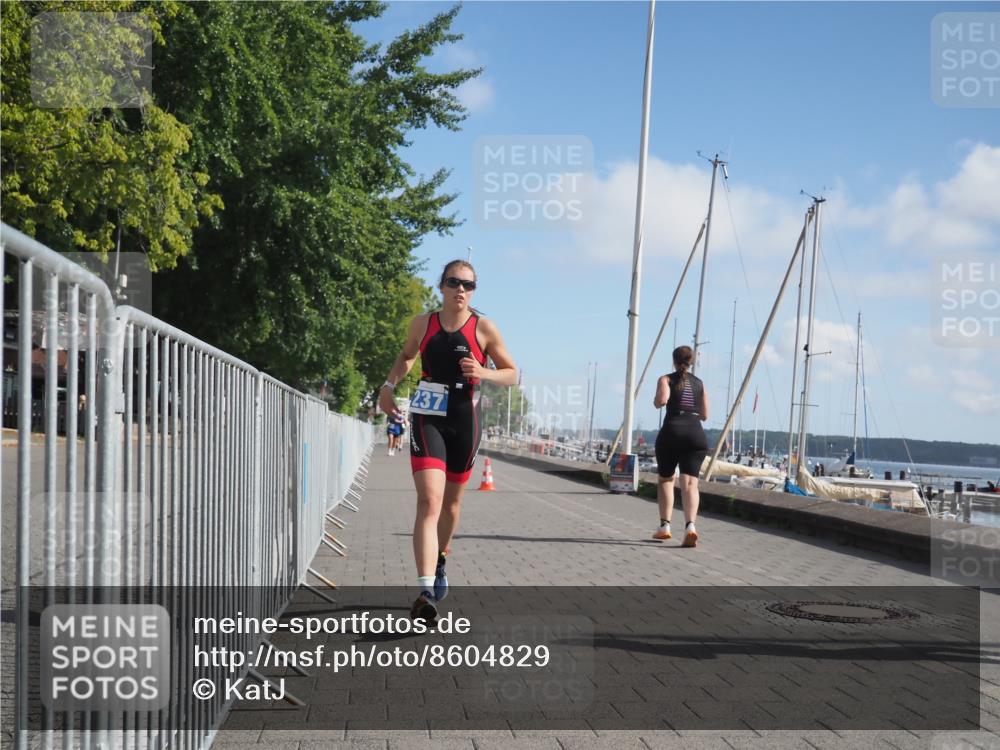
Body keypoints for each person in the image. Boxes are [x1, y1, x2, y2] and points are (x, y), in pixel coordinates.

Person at [378, 259, 517, 622]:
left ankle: (440, 559)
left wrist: (484, 371)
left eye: (469, 285)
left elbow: (512, 374)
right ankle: (425, 592)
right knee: (430, 500)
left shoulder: (483, 327)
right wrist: (388, 386)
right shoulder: (422, 324)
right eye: (454, 282)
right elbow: (407, 356)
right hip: (428, 414)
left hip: (464, 419)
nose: (461, 290)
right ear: (441, 285)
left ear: (474, 291)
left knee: (451, 506)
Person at [651, 346, 710, 548]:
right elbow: (704, 415)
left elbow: (661, 400)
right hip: (695, 434)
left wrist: (657, 401)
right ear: (691, 362)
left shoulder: (666, 379)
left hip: (672, 432)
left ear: (674, 361)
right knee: (691, 484)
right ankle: (690, 527)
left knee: (666, 480)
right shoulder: (699, 383)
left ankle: (665, 527)